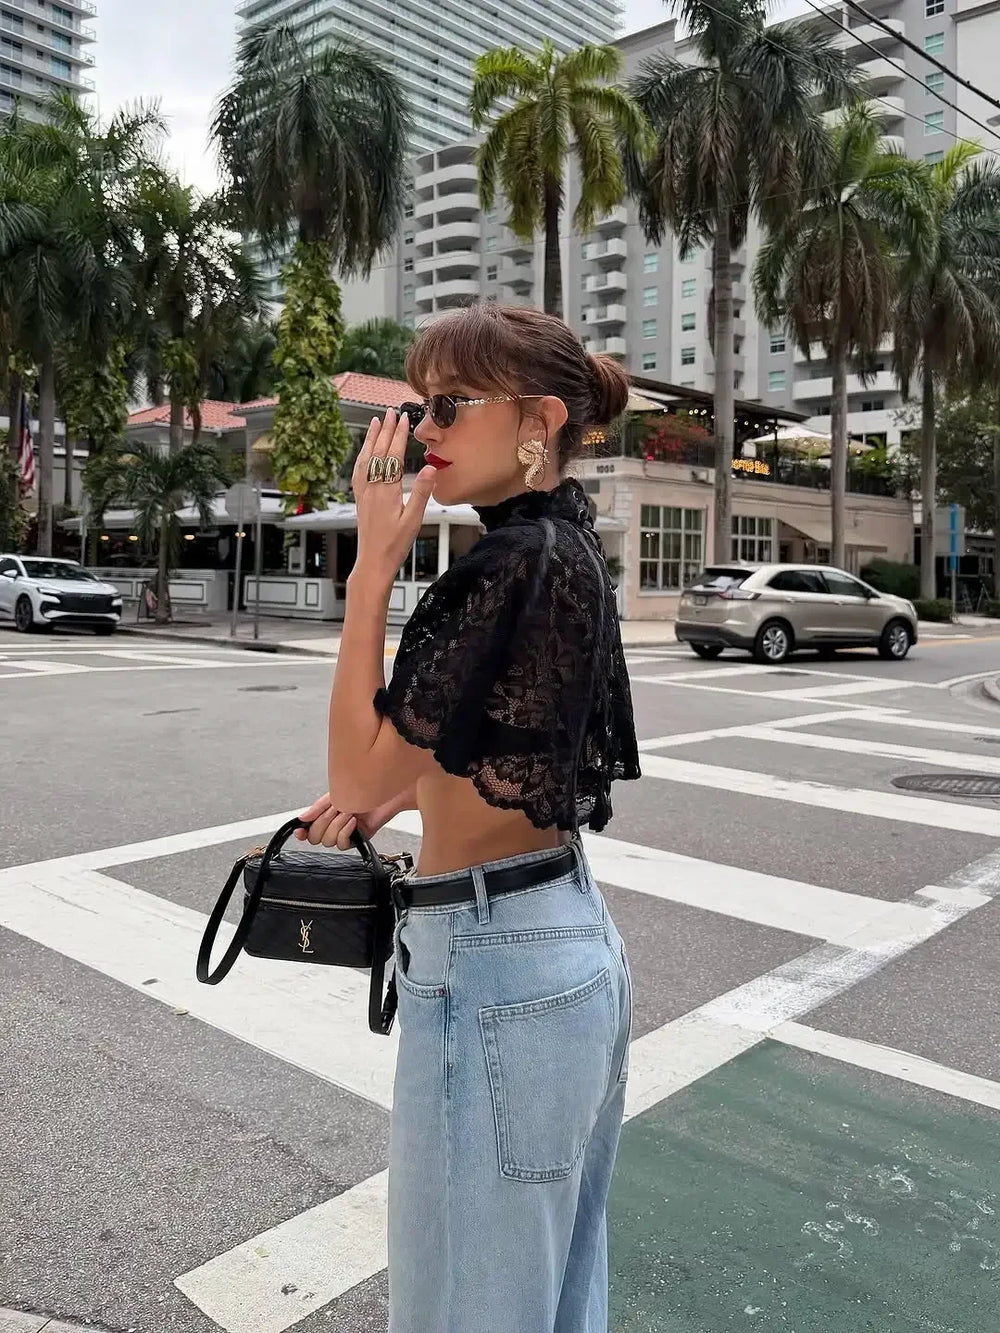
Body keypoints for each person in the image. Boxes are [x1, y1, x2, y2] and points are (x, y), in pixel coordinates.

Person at [298, 302, 640, 1333]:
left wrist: (369, 571)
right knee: (547, 1296)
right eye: (419, 402)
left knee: (466, 1311)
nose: (424, 427)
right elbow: (506, 733)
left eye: (447, 404)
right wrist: (403, 788)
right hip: (559, 950)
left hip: (495, 963)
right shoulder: (561, 544)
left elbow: (355, 772)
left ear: (537, 418)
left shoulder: (502, 567)